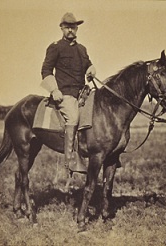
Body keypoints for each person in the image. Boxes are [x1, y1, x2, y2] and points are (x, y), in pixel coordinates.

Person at [41, 13, 96, 173]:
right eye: (67, 27)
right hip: (64, 93)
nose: (70, 30)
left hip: (82, 94)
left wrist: (91, 70)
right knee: (73, 117)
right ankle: (71, 160)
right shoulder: (55, 47)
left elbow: (89, 65)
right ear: (62, 28)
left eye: (73, 27)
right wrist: (54, 89)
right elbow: (46, 70)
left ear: (76, 28)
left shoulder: (82, 49)